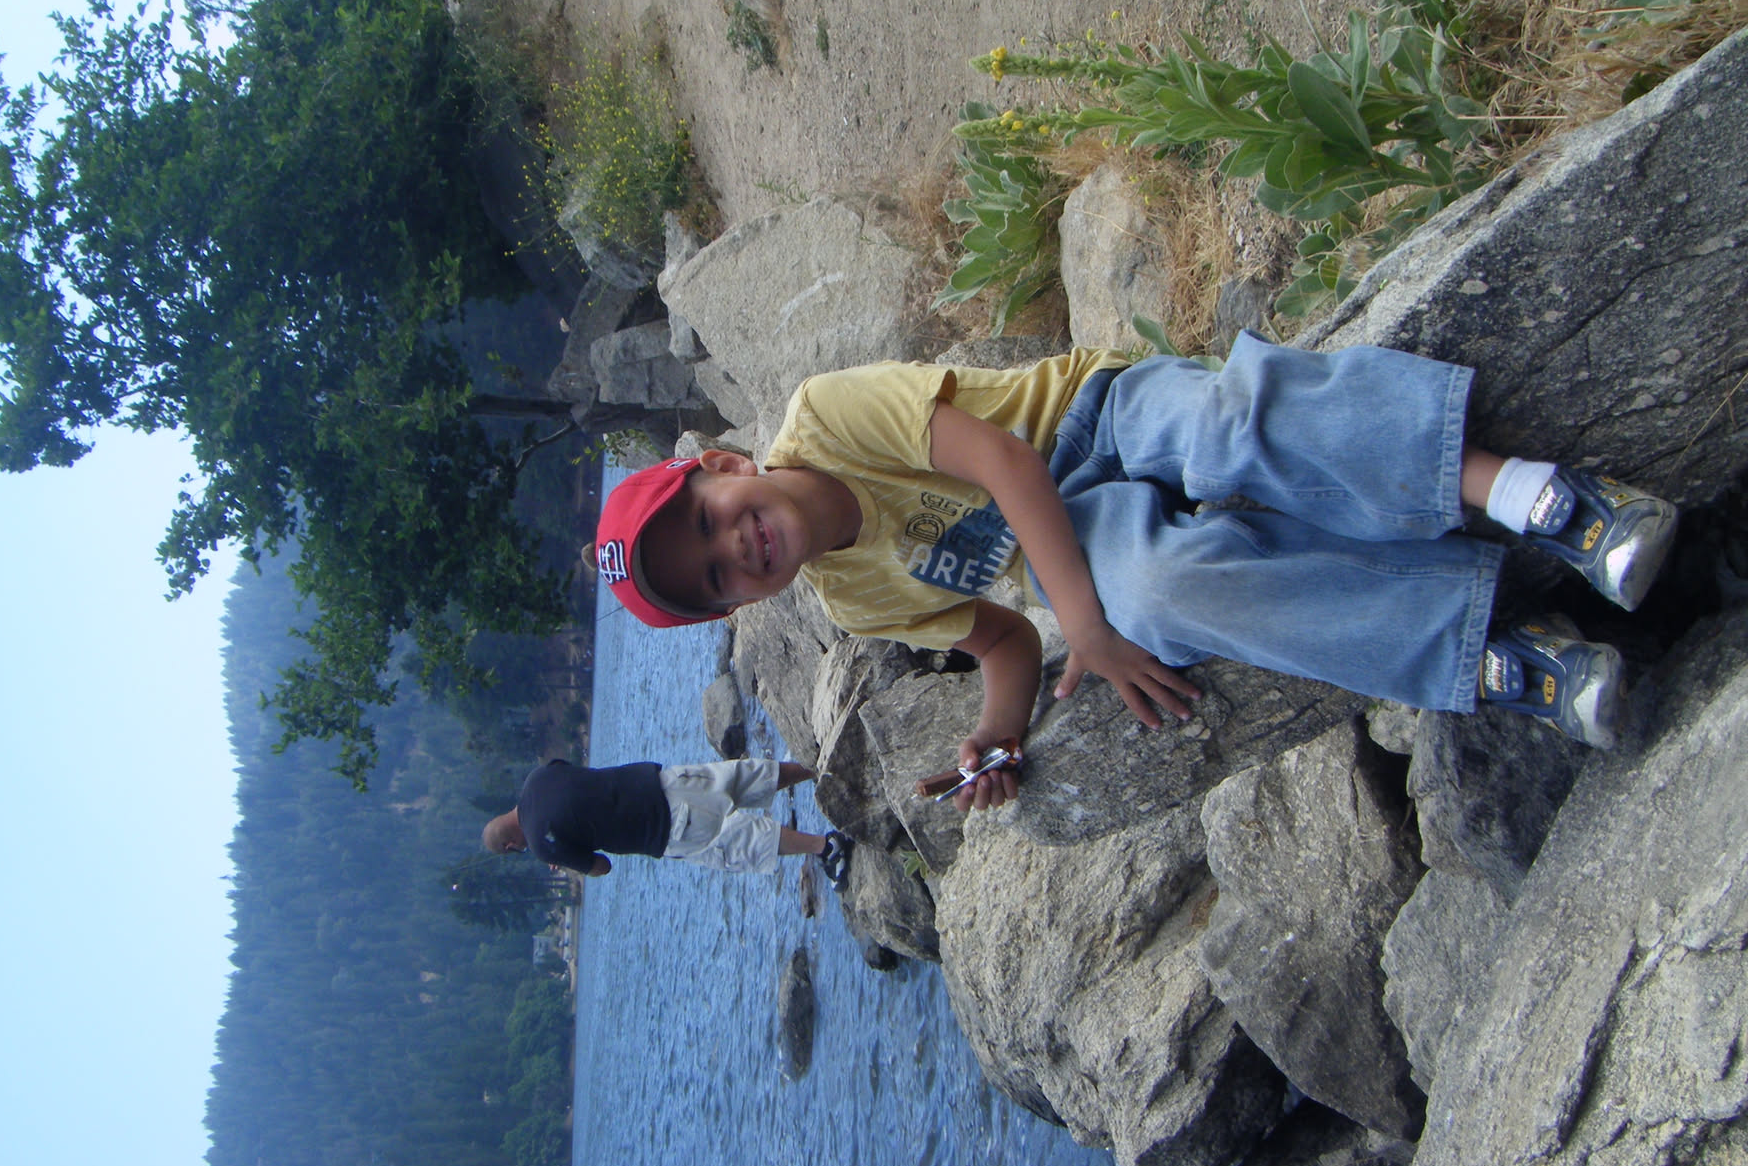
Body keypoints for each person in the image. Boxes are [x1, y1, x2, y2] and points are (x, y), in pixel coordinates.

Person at [590, 335, 1679, 810]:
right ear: (741, 606)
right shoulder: (854, 598)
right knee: (1164, 596)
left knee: (1225, 425)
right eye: (717, 579)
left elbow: (1007, 462)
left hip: (1094, 417)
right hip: (1080, 541)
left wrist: (1087, 630)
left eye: (710, 524)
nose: (736, 550)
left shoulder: (825, 417)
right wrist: (997, 736)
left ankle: (1537, 497)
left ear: (724, 468)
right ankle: (1492, 653)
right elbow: (1000, 639)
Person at [482, 756, 853, 886]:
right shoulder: (538, 776)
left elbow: (601, 866)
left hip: (663, 829)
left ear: (511, 845)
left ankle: (826, 846)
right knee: (744, 778)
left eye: (515, 850)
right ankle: (820, 767)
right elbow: (578, 784)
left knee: (742, 842)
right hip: (660, 780)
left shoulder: (540, 843)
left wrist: (563, 858)